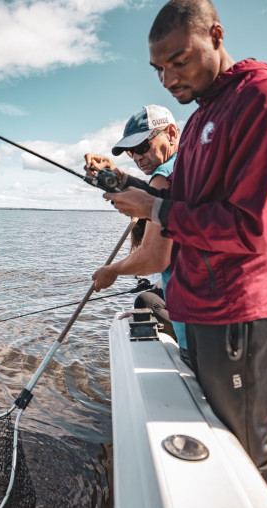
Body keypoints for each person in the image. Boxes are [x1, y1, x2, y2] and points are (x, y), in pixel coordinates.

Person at [102, 0, 267, 508]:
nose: (169, 78)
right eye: (158, 69)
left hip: (244, 309)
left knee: (250, 458)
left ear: (216, 34)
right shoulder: (201, 118)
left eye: (179, 60)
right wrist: (122, 185)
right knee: (232, 444)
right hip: (209, 309)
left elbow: (255, 228)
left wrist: (153, 206)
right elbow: (183, 204)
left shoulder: (265, 99)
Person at [84, 104, 188, 354]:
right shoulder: (187, 166)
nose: (138, 157)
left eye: (142, 147)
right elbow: (159, 199)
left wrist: (112, 271)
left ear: (172, 133)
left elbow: (155, 257)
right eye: (131, 152)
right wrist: (119, 179)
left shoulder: (163, 175)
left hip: (195, 320)